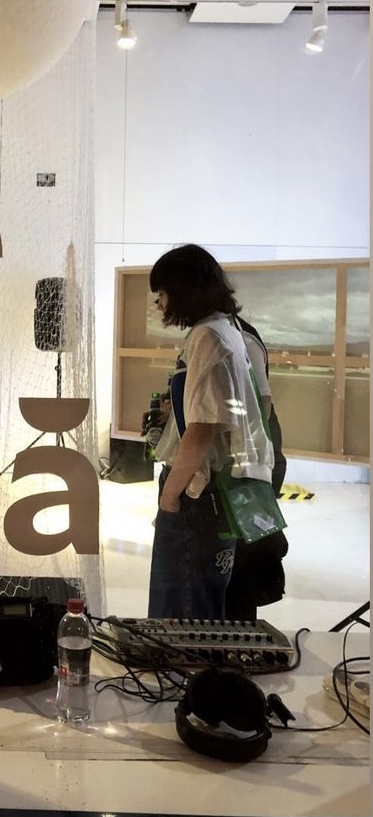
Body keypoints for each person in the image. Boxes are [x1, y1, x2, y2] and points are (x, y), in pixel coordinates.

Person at [147, 244, 275, 620]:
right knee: (204, 604)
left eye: (162, 293)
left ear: (182, 290)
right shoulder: (230, 330)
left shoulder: (207, 336)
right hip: (221, 492)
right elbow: (259, 405)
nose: (159, 304)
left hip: (198, 494)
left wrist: (170, 495)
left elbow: (203, 428)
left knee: (181, 611)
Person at [224, 315, 289, 620]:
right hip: (247, 458)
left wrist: (238, 451)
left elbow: (262, 402)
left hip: (251, 462)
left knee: (242, 563)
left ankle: (239, 633)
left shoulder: (240, 338)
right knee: (235, 560)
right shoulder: (224, 333)